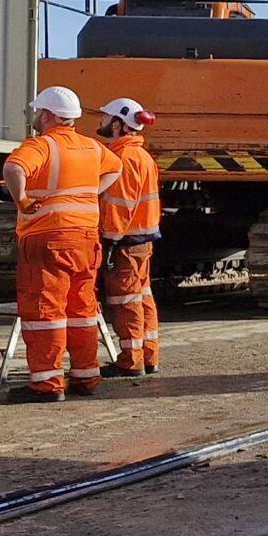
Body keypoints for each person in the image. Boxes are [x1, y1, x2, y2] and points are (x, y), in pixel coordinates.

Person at [0, 86, 117, 402]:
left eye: (39, 112)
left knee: (45, 310)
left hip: (48, 238)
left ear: (49, 115)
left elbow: (13, 169)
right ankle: (86, 376)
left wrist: (22, 201)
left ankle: (47, 383)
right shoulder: (92, 147)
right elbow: (115, 168)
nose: (36, 117)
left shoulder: (42, 145)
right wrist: (91, 192)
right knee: (82, 309)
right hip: (86, 239)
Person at [96, 96, 163, 375]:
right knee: (142, 297)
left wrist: (109, 240)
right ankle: (148, 356)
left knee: (125, 301)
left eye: (104, 117)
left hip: (124, 242)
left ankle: (131, 361)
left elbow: (118, 206)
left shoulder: (122, 158)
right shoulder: (142, 155)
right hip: (142, 240)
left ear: (118, 124)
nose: (100, 122)